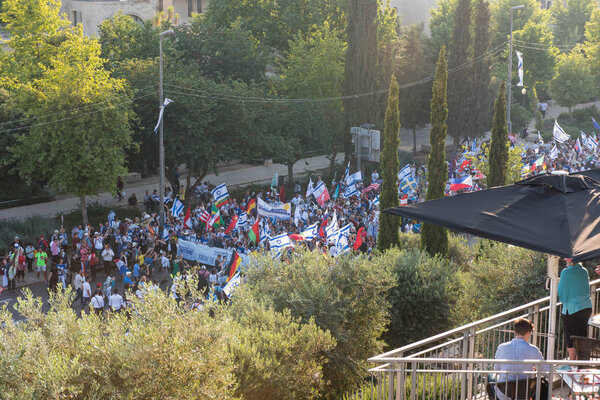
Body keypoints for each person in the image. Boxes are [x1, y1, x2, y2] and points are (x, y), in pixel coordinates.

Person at [491, 318, 548, 400]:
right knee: (543, 385)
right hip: (524, 393)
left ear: (515, 332)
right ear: (528, 332)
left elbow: (496, 369)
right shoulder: (533, 350)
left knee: (491, 377)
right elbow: (547, 372)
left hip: (504, 392)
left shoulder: (501, 347)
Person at [558, 258, 593, 360]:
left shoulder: (565, 272)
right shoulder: (584, 270)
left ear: (568, 260)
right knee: (581, 336)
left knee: (570, 337)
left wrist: (564, 300)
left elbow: (561, 290)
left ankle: (572, 363)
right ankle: (580, 362)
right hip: (586, 307)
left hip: (572, 308)